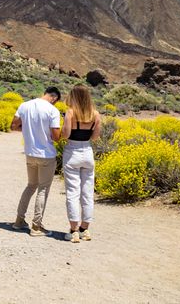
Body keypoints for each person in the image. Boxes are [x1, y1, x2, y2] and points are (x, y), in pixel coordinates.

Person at [10, 86, 62, 236]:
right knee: (43, 189)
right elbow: (56, 136)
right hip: (46, 155)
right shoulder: (52, 110)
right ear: (54, 97)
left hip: (30, 153)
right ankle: (36, 226)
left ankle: (19, 221)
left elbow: (14, 126)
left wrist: (28, 131)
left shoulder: (24, 105)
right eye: (56, 102)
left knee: (31, 186)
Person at [61, 85, 101, 243]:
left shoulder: (70, 112)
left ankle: (74, 231)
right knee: (87, 193)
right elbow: (95, 137)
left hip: (72, 152)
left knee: (72, 192)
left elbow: (65, 134)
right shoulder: (95, 114)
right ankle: (85, 229)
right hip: (87, 152)